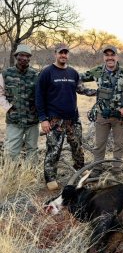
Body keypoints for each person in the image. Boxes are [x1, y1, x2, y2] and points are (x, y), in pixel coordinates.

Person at [35, 43, 96, 190]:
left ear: (68, 55)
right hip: (54, 120)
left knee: (77, 147)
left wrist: (99, 92)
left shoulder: (73, 73)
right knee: (54, 150)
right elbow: (39, 96)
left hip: (73, 119)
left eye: (65, 53)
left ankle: (80, 172)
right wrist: (43, 119)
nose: (63, 55)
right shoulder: (46, 72)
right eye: (60, 53)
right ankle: (50, 178)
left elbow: (81, 89)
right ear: (55, 54)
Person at [80, 45, 123, 177]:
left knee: (119, 144)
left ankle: (116, 170)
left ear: (116, 56)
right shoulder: (97, 71)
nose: (110, 58)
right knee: (99, 144)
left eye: (112, 55)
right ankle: (97, 169)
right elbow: (78, 78)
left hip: (119, 117)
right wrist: (86, 91)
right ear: (104, 57)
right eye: (107, 55)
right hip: (102, 115)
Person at [0, 44, 39, 161]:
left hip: (32, 119)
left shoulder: (35, 74)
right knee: (12, 150)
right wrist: (8, 107)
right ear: (16, 56)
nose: (24, 58)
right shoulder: (6, 73)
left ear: (30, 58)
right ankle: (12, 175)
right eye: (21, 55)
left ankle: (30, 176)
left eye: (27, 56)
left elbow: (41, 95)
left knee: (32, 149)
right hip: (14, 119)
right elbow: (0, 93)